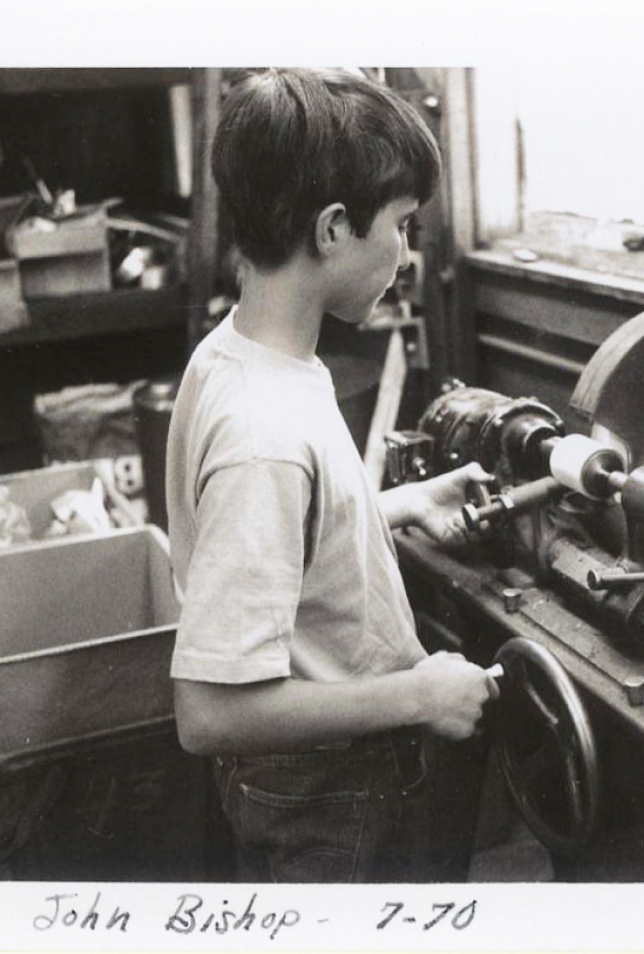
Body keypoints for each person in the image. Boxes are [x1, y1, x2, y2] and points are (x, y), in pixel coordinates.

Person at [165, 68, 499, 884]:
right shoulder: (263, 437)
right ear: (334, 228)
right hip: (328, 791)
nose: (407, 254)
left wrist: (391, 505)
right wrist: (421, 698)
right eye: (403, 226)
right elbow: (210, 713)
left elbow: (270, 542)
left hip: (318, 775)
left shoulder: (245, 356)